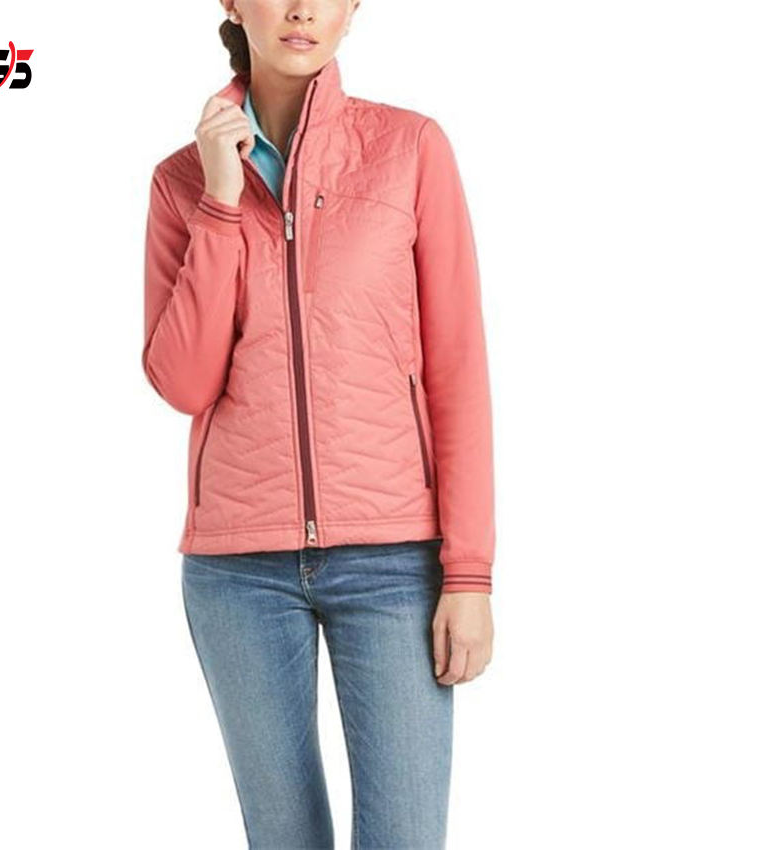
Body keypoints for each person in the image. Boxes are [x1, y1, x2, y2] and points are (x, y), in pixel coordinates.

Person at [142, 1, 495, 846]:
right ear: (233, 4)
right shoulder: (181, 182)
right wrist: (221, 204)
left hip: (394, 563)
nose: (302, 8)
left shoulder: (409, 150)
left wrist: (470, 574)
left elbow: (457, 369)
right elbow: (184, 382)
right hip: (238, 573)